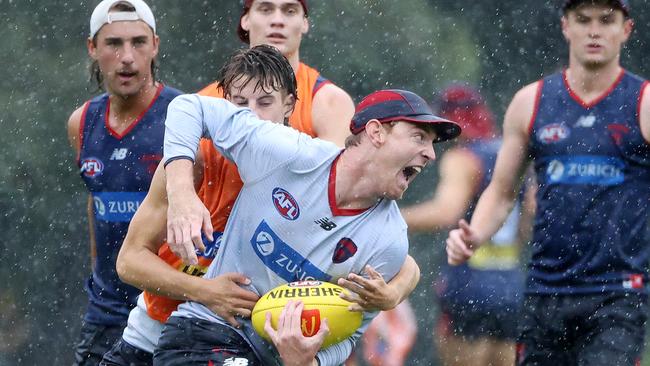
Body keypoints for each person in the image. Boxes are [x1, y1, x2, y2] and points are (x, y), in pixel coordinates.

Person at [103, 46, 421, 365]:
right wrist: (204, 287)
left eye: (264, 103)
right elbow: (129, 261)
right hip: (159, 329)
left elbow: (392, 253)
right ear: (224, 104)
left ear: (290, 107)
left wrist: (393, 293)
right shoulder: (193, 163)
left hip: (240, 342)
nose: (250, 115)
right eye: (239, 104)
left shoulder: (295, 162)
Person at [157, 88, 461, 365]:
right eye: (419, 137)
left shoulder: (390, 241)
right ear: (376, 132)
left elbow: (352, 333)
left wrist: (309, 362)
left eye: (432, 144)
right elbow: (188, 107)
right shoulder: (290, 155)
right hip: (207, 333)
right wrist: (181, 193)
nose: (431, 154)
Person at [445, 1, 650, 365]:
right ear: (565, 27)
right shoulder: (531, 102)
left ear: (627, 29)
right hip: (545, 292)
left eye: (606, 21)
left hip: (617, 295)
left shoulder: (643, 103)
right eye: (583, 20)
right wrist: (474, 234)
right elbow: (503, 191)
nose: (594, 31)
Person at [65, 0, 182, 364]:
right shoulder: (82, 121)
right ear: (92, 48)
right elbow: (95, 203)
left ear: (156, 46)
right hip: (105, 314)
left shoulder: (183, 117)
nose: (127, 56)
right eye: (114, 43)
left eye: (138, 42)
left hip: (168, 313)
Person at [401, 84, 530, 366]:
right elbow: (529, 217)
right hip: (510, 285)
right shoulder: (510, 154)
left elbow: (446, 212)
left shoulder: (463, 157)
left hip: (468, 286)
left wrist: (392, 219)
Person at [199, 0, 354, 146]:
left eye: (290, 11)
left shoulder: (331, 104)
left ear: (305, 23)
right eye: (266, 9)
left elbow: (335, 173)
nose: (277, 20)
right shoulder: (204, 104)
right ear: (245, 20)